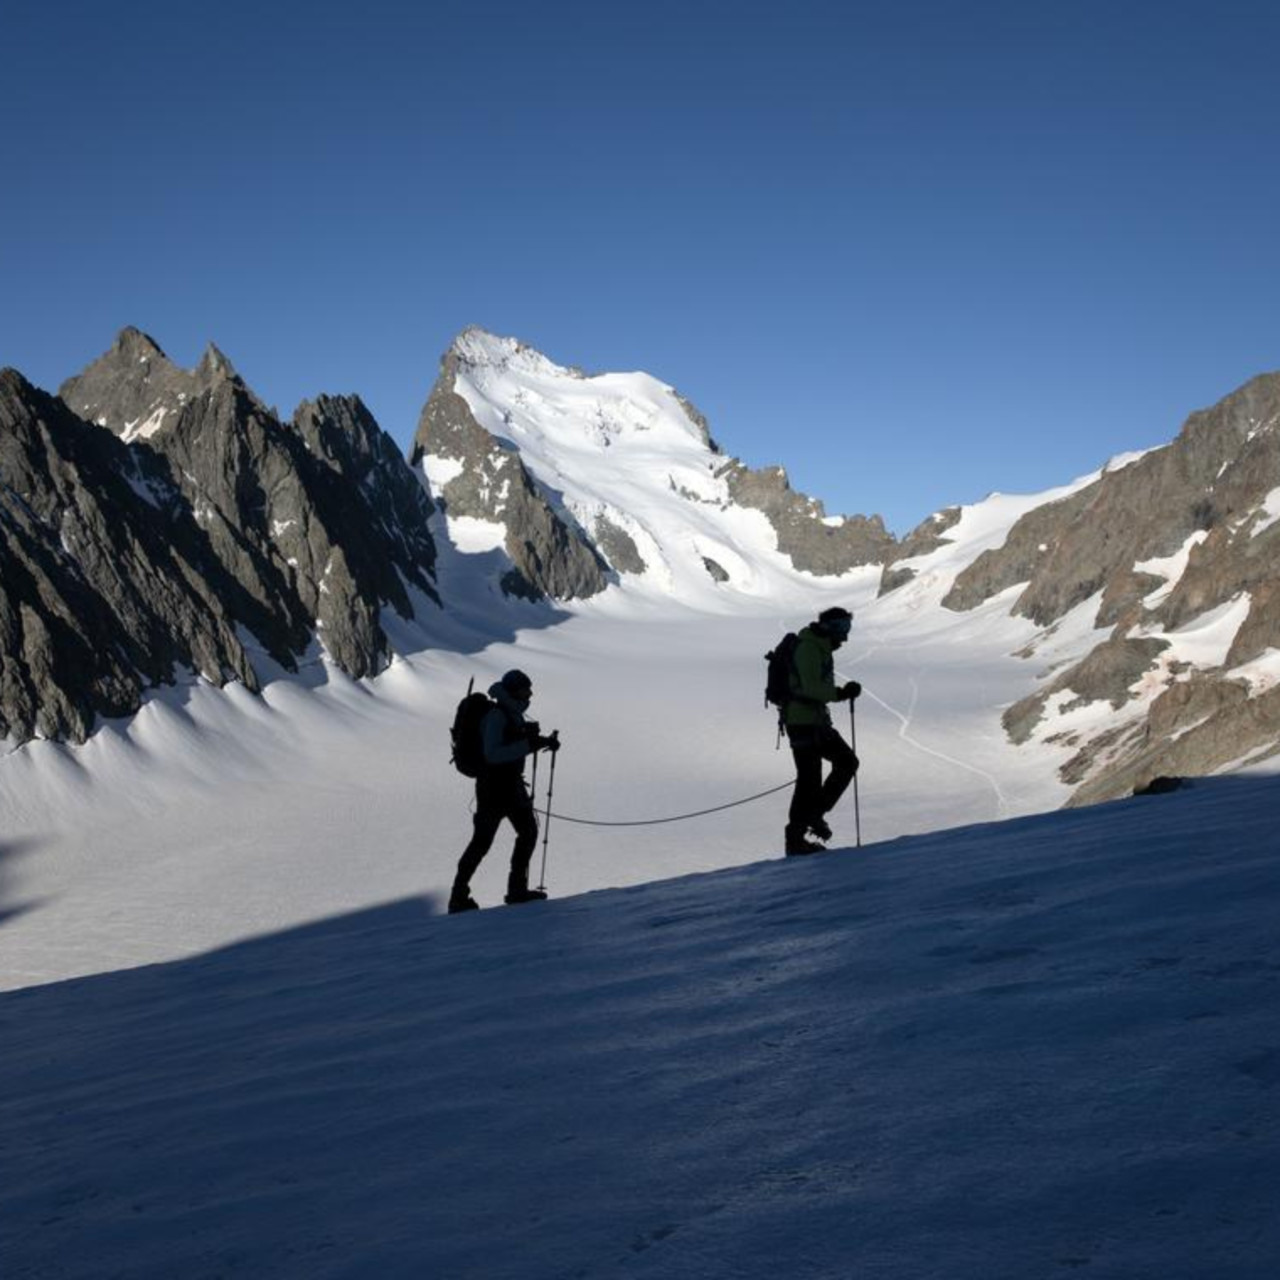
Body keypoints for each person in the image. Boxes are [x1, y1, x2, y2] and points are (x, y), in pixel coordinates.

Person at [449, 669, 560, 913]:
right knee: (486, 842)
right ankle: (468, 895)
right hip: (496, 788)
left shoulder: (510, 713)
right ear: (513, 690)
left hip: (504, 787)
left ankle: (487, 892)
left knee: (520, 833)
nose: (530, 692)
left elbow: (512, 745)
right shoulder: (498, 715)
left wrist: (540, 742)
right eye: (525, 688)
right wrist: (529, 744)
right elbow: (493, 753)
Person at [782, 606, 861, 855]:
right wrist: (840, 693)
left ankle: (807, 824)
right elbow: (810, 687)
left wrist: (839, 693)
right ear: (829, 628)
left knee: (823, 772)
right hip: (803, 722)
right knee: (812, 777)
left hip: (811, 721)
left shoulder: (819, 647)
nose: (845, 636)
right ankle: (799, 834)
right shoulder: (809, 648)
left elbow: (813, 686)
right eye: (842, 629)